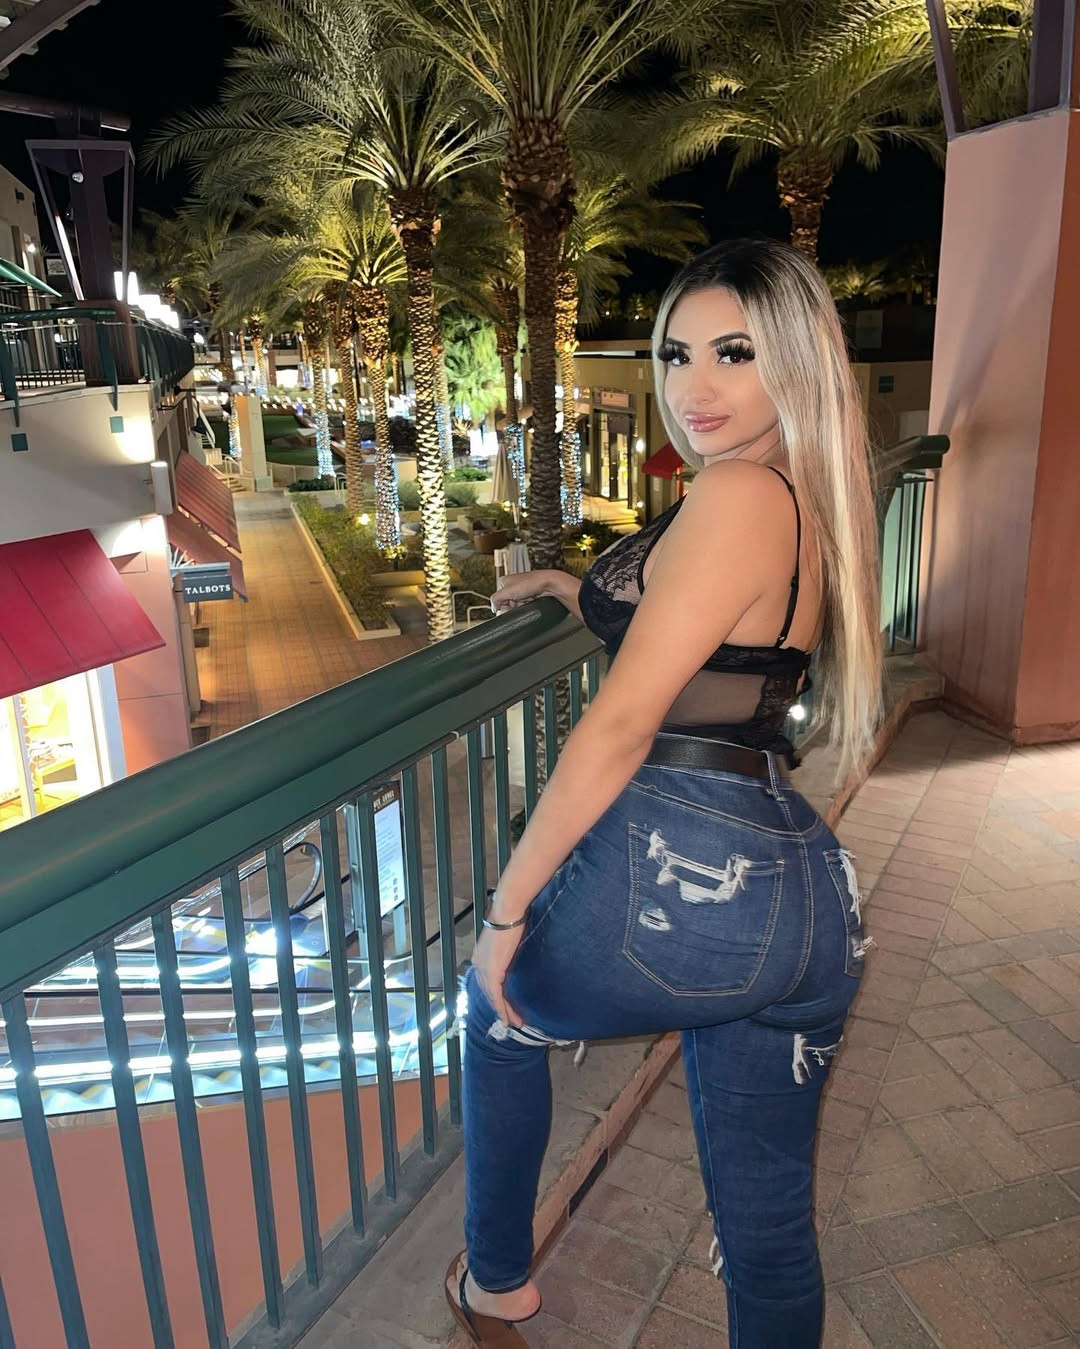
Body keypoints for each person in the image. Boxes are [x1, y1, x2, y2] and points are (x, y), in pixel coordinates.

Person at [445, 238, 883, 1348]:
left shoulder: (734, 492)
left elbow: (623, 722)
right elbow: (714, 646)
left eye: (734, 352)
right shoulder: (809, 495)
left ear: (795, 358)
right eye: (676, 353)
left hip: (690, 882)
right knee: (767, 1228)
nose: (695, 386)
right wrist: (572, 586)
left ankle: (497, 1283)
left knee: (492, 1013)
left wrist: (505, 914)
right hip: (807, 895)